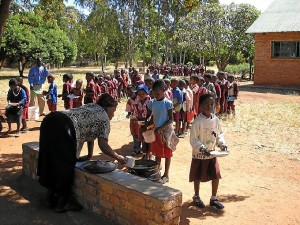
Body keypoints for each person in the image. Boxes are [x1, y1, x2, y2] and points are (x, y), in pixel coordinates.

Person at [37, 93, 127, 213]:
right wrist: (118, 157)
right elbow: (103, 144)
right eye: (113, 110)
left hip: (51, 119)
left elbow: (90, 135)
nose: (113, 114)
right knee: (66, 166)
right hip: (64, 127)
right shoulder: (104, 118)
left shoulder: (92, 106)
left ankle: (50, 199)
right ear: (107, 107)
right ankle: (63, 204)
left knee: (50, 159)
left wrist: (89, 155)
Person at [189, 94, 227, 210]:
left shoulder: (215, 119)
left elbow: (219, 133)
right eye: (206, 104)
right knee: (197, 176)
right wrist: (201, 148)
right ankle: (196, 196)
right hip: (199, 154)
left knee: (215, 175)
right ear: (200, 106)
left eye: (212, 104)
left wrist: (222, 144)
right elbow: (193, 139)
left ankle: (214, 198)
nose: (209, 106)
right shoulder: (197, 121)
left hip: (212, 153)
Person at [146, 79, 178, 184]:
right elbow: (150, 116)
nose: (156, 95)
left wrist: (160, 128)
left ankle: (166, 174)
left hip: (166, 132)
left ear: (164, 91)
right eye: (154, 93)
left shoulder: (167, 103)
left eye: (158, 93)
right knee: (157, 153)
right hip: (156, 132)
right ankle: (157, 173)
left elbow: (170, 119)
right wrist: (147, 125)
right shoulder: (152, 102)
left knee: (167, 154)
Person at [131, 84, 151, 158]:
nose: (141, 95)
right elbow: (135, 111)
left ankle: (149, 153)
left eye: (143, 93)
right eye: (139, 94)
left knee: (148, 138)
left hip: (148, 121)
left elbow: (151, 112)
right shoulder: (137, 101)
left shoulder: (150, 101)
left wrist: (148, 120)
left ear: (146, 93)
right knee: (141, 137)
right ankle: (143, 152)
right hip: (140, 121)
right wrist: (137, 118)